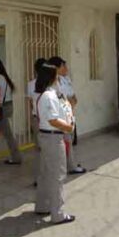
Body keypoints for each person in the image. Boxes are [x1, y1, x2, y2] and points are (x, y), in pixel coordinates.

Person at [34, 63, 76, 225]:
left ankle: (42, 205)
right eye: (57, 75)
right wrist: (68, 127)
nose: (59, 78)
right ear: (52, 77)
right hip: (53, 138)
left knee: (46, 173)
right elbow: (53, 120)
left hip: (47, 136)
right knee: (57, 175)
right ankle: (57, 213)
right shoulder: (49, 96)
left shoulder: (49, 94)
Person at [48, 57, 86, 175]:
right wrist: (69, 104)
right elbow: (61, 100)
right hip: (58, 117)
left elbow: (71, 96)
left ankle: (68, 165)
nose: (66, 68)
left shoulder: (65, 80)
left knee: (68, 142)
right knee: (64, 142)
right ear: (56, 68)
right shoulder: (51, 83)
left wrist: (71, 104)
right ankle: (69, 166)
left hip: (67, 115)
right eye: (63, 66)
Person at [27, 58, 47, 186]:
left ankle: (39, 178)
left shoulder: (30, 84)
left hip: (37, 118)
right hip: (49, 120)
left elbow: (30, 103)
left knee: (39, 149)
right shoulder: (50, 84)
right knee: (49, 148)